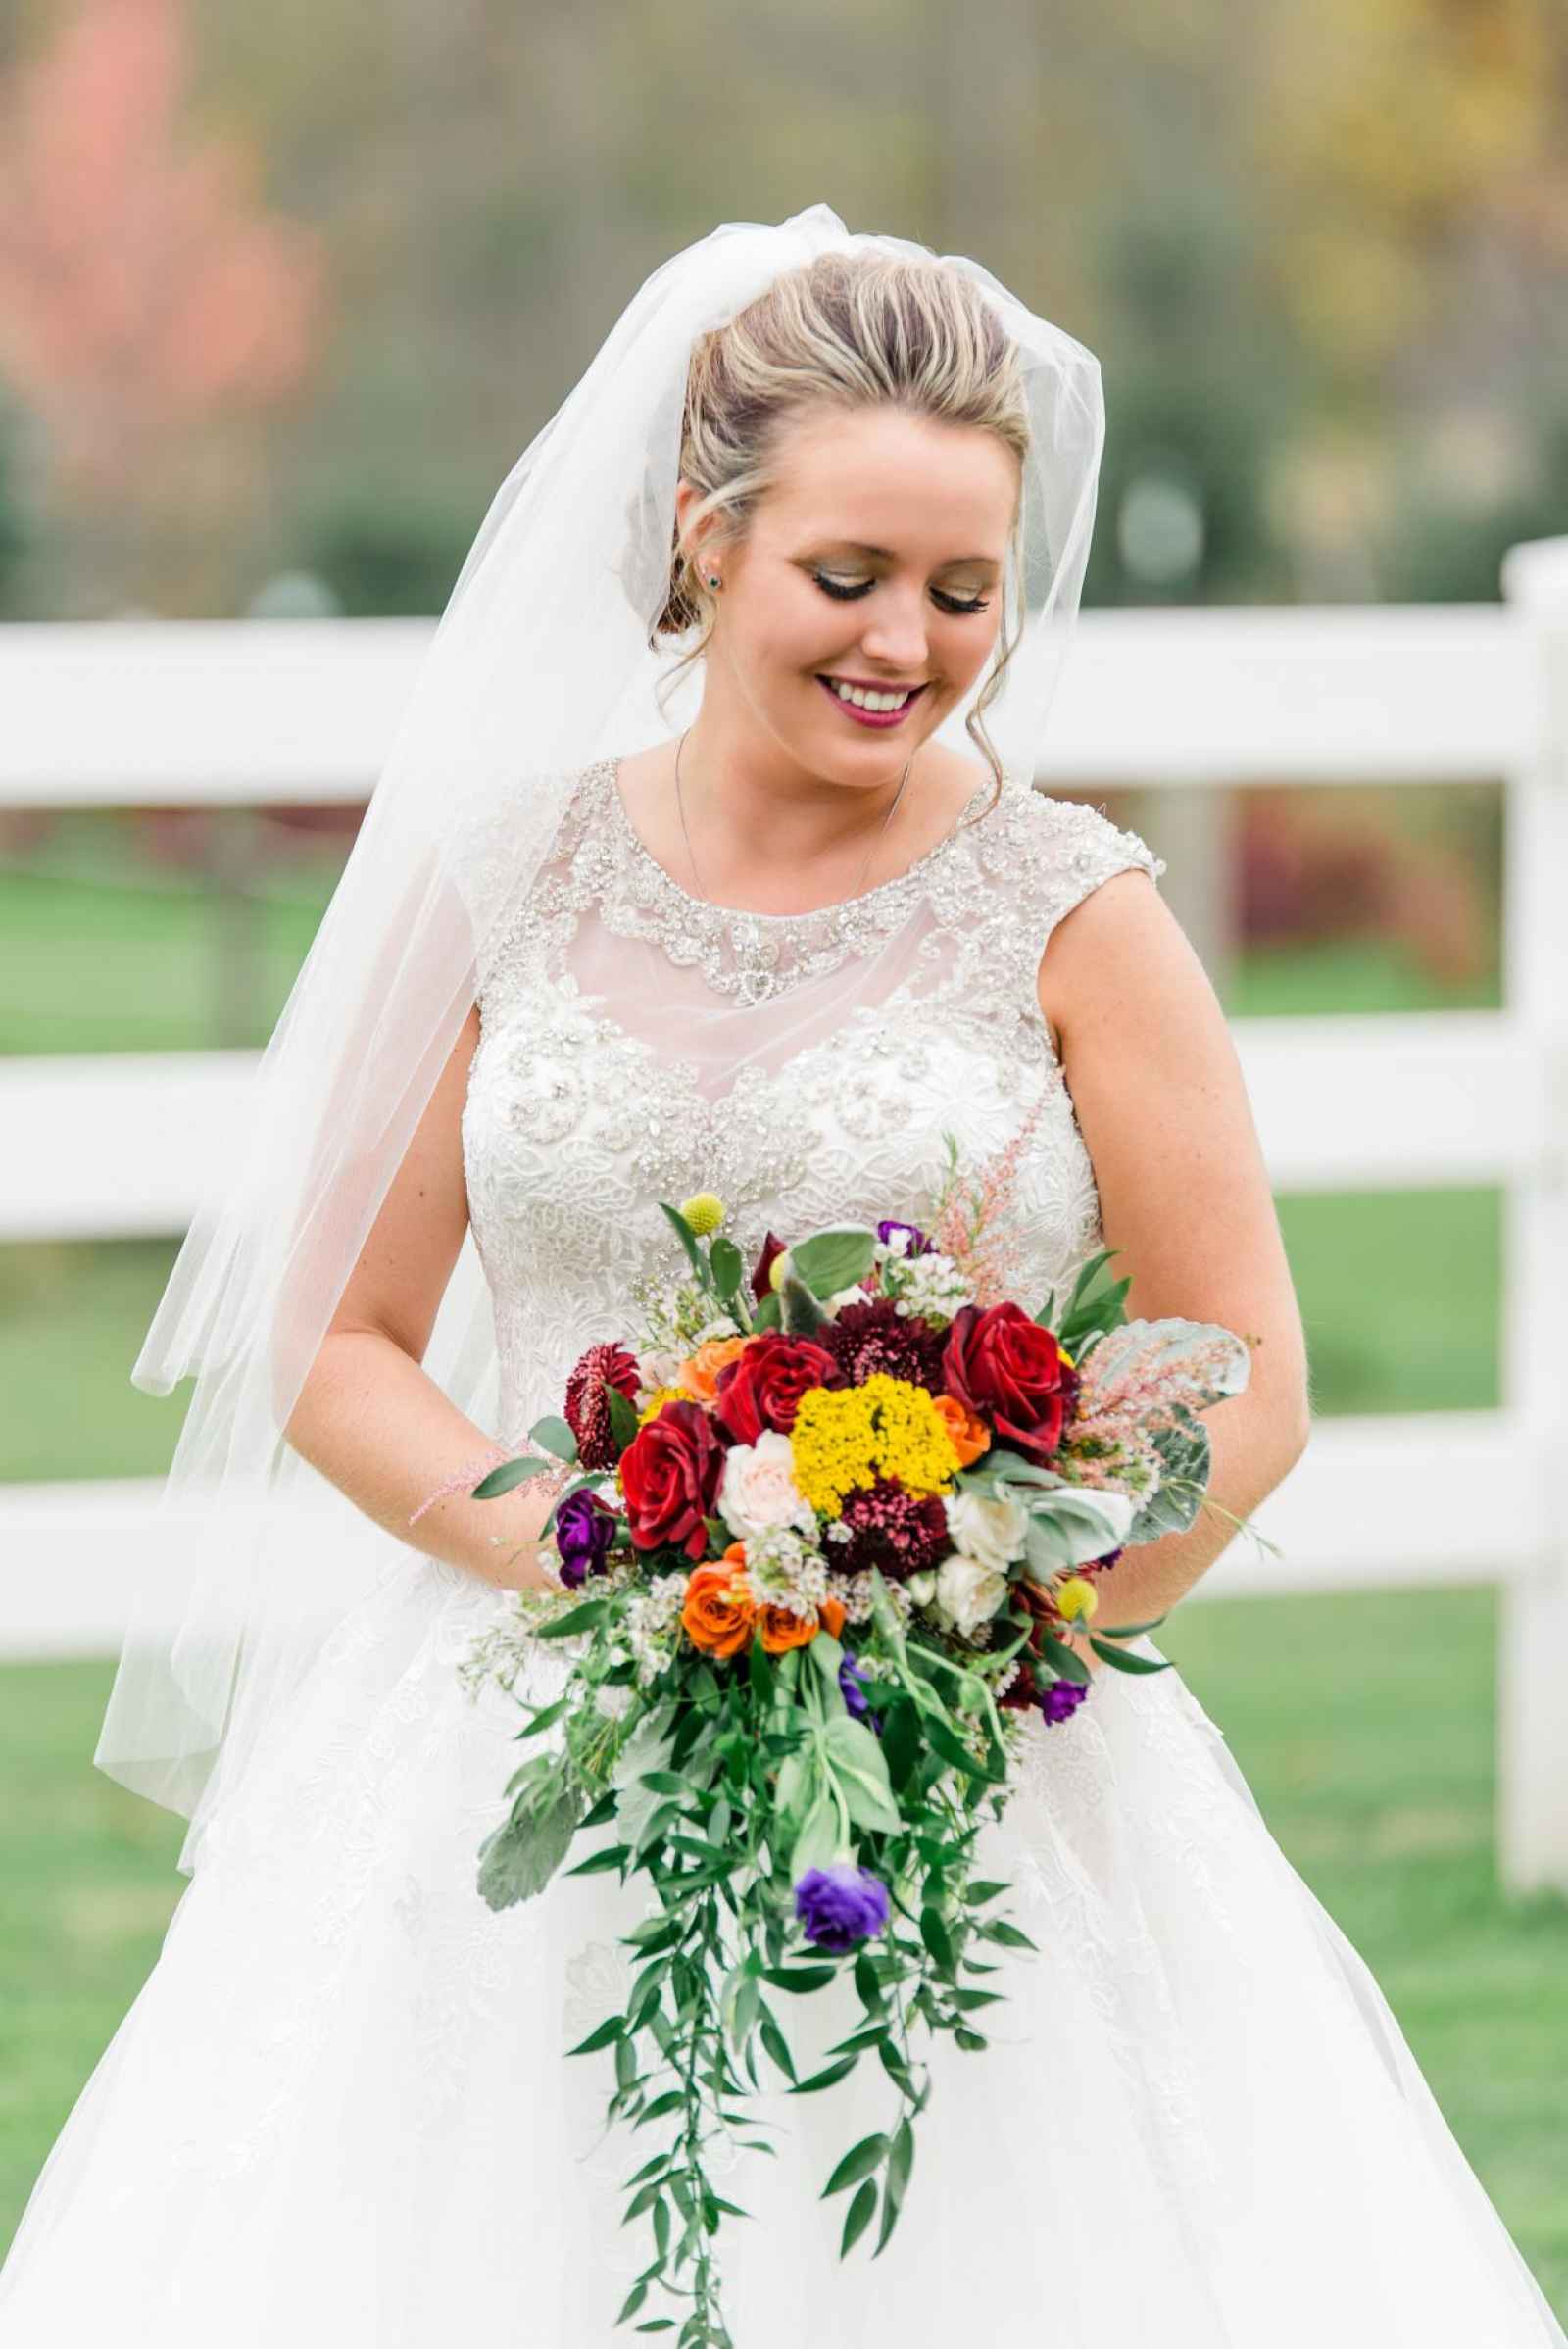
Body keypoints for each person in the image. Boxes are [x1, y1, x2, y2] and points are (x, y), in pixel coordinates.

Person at [1, 208, 1562, 2347]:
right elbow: (336, 1338)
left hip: (954, 1765)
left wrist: (973, 1637)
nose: (907, 641)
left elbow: (1243, 1368)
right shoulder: (502, 877)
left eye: (962, 590)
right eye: (850, 575)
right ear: (704, 535)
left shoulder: (1075, 910)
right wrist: (607, 1574)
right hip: (513, 1731)